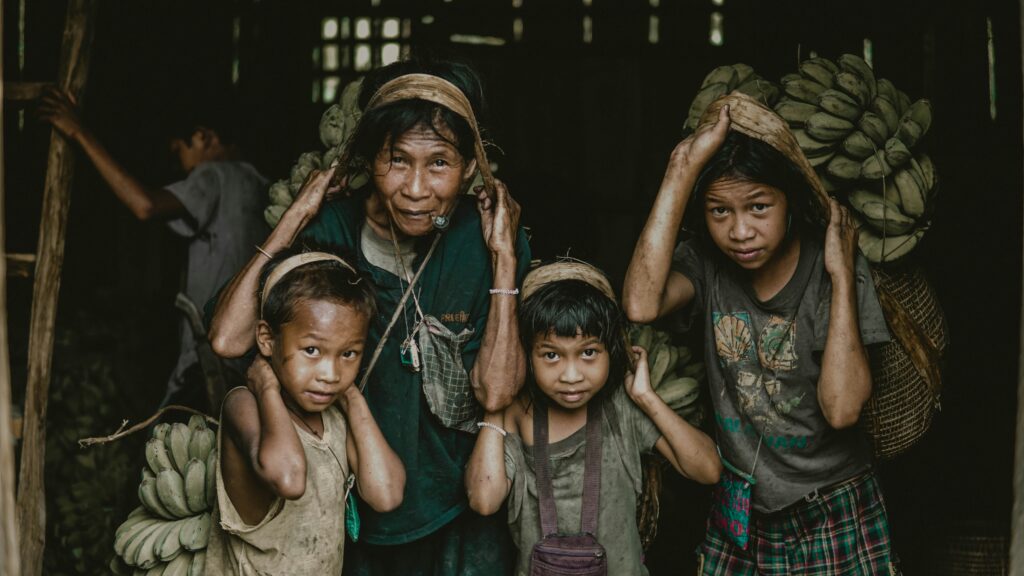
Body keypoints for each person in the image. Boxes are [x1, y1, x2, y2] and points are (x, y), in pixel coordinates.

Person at [208, 58, 531, 575]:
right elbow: (227, 339)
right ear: (368, 158)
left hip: (461, 508)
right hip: (349, 510)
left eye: (440, 164)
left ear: (471, 168)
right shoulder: (333, 229)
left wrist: (505, 260)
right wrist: (297, 213)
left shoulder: (485, 240)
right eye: (397, 160)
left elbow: (496, 394)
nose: (417, 188)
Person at [622, 94, 898, 575]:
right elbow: (640, 304)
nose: (741, 231)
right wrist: (680, 170)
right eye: (719, 211)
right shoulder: (707, 265)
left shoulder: (831, 268)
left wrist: (840, 274)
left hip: (833, 506)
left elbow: (843, 407)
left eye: (758, 206)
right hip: (742, 508)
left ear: (789, 201)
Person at [465, 261, 721, 576]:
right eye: (551, 355)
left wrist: (646, 397)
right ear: (526, 357)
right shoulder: (518, 414)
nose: (571, 376)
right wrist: (497, 402)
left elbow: (708, 470)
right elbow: (484, 500)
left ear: (611, 351)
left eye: (588, 353)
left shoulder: (622, 409)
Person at [37, 89, 270, 408]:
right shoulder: (260, 184)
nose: (184, 169)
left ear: (202, 136)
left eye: (180, 152)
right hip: (249, 363)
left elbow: (144, 205)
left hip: (211, 364)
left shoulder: (213, 176)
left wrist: (79, 132)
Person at [205, 248, 405, 574]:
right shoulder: (243, 405)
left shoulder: (338, 418)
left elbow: (386, 495)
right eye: (312, 350)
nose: (329, 373)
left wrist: (352, 397)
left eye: (349, 353)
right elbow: (289, 478)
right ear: (267, 339)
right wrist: (267, 388)